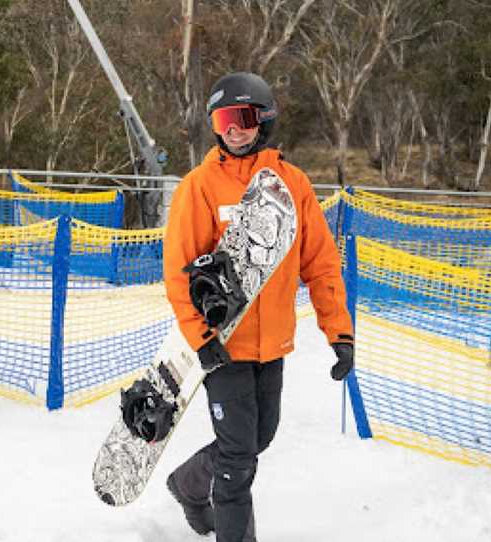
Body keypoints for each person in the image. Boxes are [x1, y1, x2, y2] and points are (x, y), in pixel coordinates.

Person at [162, 72, 355, 541]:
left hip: (274, 345)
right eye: (224, 118)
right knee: (236, 459)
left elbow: (322, 265)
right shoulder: (199, 186)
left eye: (244, 117)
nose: (233, 128)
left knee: (257, 440)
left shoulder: (293, 184)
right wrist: (201, 338)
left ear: (264, 120)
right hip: (224, 347)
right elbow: (178, 274)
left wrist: (339, 333)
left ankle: (187, 484)